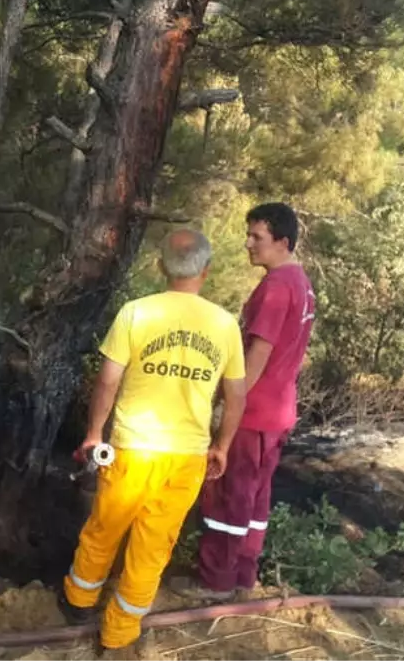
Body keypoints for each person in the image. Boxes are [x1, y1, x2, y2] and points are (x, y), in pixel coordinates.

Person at [59, 228, 248, 654]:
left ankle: (78, 601)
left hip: (132, 448)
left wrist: (94, 434)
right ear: (207, 270)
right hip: (185, 458)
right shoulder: (224, 326)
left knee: (104, 527)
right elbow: (236, 395)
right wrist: (222, 446)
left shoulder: (136, 313)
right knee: (153, 546)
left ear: (160, 266)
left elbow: (108, 380)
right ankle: (120, 632)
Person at [174, 202, 316, 601]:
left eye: (258, 237)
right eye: (248, 234)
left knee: (226, 494)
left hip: (253, 411)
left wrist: (226, 404)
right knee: (255, 497)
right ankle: (242, 576)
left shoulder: (275, 287)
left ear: (282, 242)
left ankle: (215, 581)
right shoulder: (302, 283)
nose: (247, 243)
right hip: (280, 409)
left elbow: (258, 353)